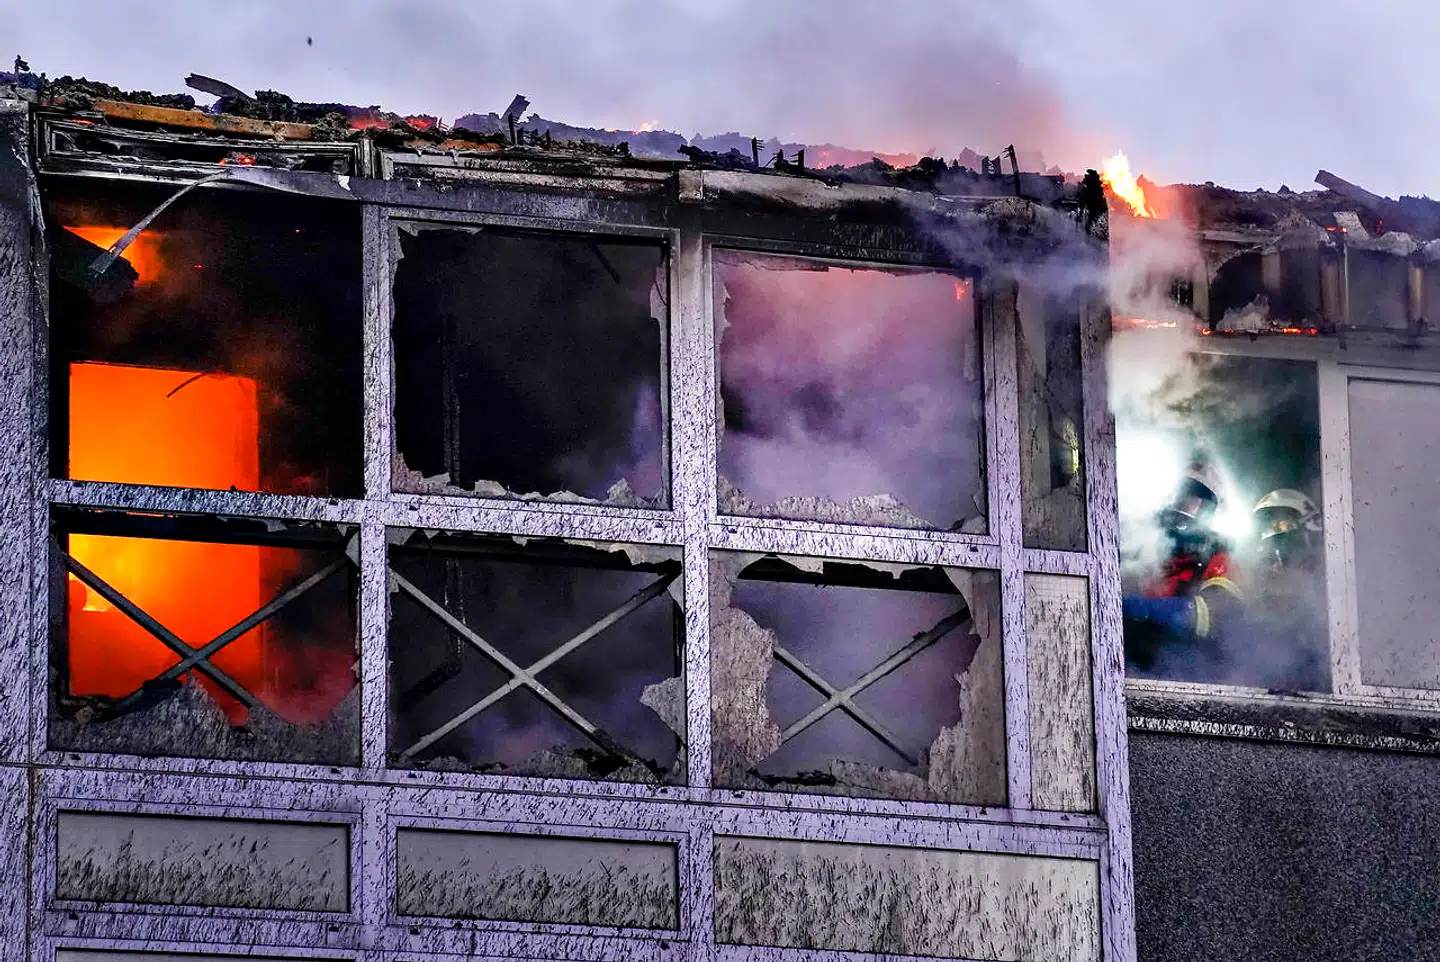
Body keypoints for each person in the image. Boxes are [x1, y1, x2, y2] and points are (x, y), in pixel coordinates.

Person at [1123, 461, 1246, 666]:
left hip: (1186, 667)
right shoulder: (1137, 539)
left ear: (1209, 507)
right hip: (1125, 659)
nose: (1184, 501)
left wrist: (1152, 609)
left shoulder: (1217, 552)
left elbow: (1221, 612)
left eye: (1196, 496)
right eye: (1183, 491)